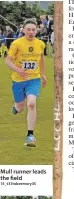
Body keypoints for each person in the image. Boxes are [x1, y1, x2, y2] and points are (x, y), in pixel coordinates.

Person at [5, 19, 47, 147]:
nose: (31, 32)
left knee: (32, 104)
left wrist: (43, 74)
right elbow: (7, 61)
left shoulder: (40, 44)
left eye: (33, 30)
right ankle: (16, 107)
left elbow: (41, 58)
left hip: (34, 79)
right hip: (18, 80)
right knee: (20, 107)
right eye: (28, 29)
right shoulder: (17, 43)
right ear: (23, 30)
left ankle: (30, 136)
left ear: (36, 31)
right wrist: (19, 71)